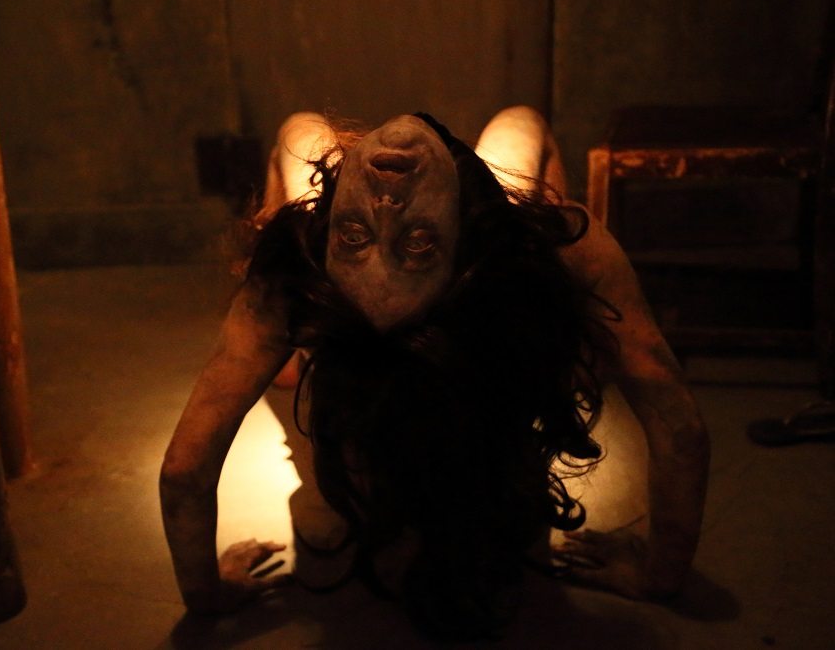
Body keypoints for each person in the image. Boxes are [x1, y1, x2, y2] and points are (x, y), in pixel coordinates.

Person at [159, 108, 710, 639]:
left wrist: (208, 596)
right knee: (519, 123)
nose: (387, 202)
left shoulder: (295, 265)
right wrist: (659, 576)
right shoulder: (559, 244)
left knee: (299, 128)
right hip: (478, 355)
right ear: (473, 239)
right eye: (418, 242)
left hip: (368, 380)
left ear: (327, 234)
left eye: (355, 234)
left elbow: (185, 469)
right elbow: (678, 425)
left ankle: (288, 356)